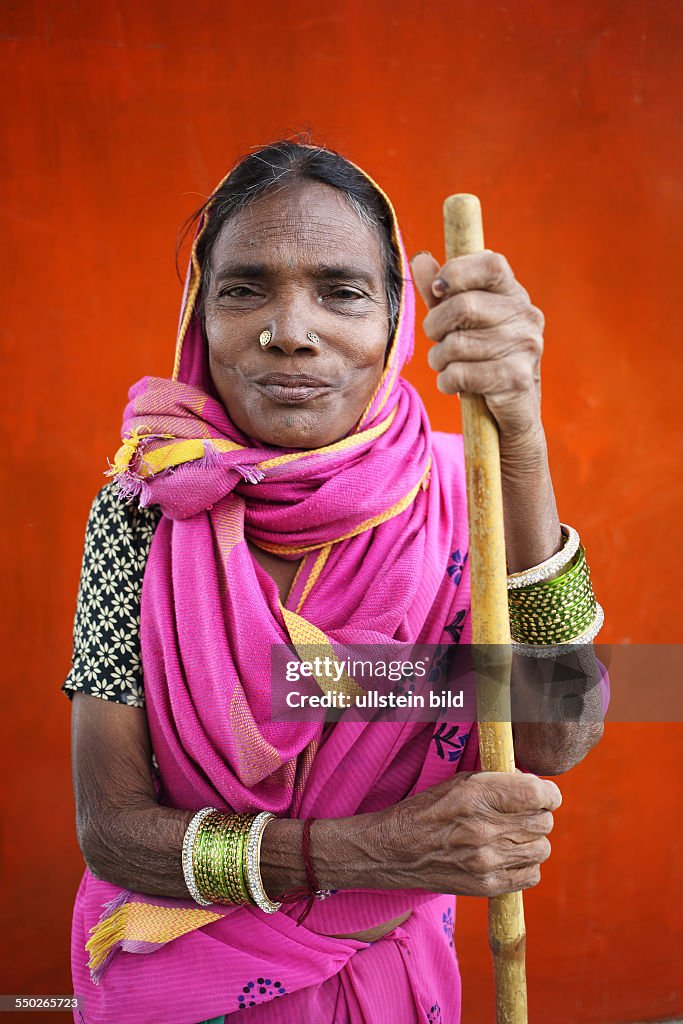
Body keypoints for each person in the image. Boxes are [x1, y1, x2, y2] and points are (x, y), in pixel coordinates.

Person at [62, 141, 606, 1024]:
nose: (289, 330)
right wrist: (370, 852)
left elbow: (555, 736)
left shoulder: (462, 491)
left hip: (389, 986)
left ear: (396, 320)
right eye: (243, 289)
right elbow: (114, 832)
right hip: (177, 987)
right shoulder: (143, 508)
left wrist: (521, 435)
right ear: (199, 315)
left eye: (341, 291)